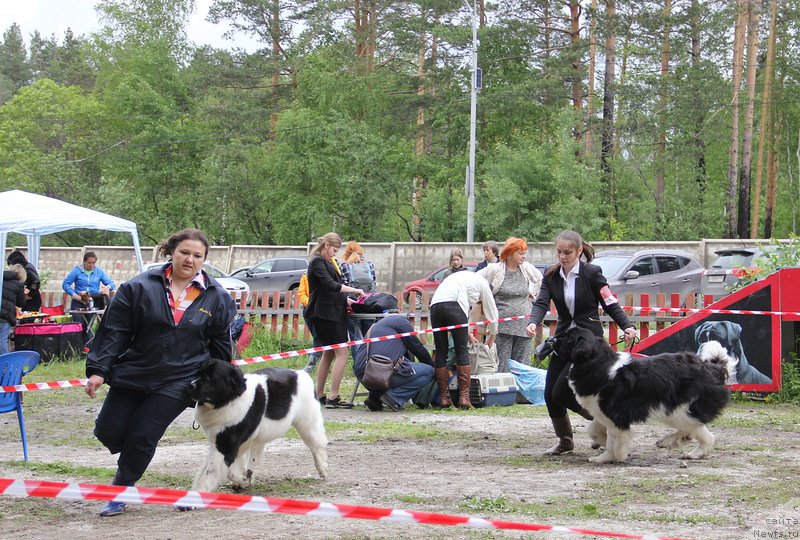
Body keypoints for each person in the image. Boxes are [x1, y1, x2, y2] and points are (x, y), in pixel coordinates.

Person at [85, 228, 236, 517]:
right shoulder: (139, 287)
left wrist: (220, 387)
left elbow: (220, 347)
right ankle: (131, 454)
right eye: (184, 253)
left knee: (144, 435)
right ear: (171, 252)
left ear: (204, 259)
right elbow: (115, 332)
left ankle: (122, 487)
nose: (190, 259)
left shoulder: (216, 297)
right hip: (135, 371)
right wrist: (99, 370)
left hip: (180, 379)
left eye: (197, 255)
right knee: (108, 430)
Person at [525, 230, 636, 456]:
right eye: (559, 252)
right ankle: (565, 440)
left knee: (562, 392)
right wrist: (533, 322)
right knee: (549, 393)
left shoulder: (592, 273)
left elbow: (610, 302)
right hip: (564, 340)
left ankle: (604, 425)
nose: (562, 257)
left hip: (589, 343)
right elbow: (541, 303)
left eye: (567, 252)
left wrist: (627, 326)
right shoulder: (551, 274)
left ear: (578, 251)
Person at [305, 232, 364, 409]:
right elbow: (330, 286)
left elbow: (328, 290)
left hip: (330, 311)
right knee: (342, 353)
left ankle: (320, 394)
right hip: (325, 314)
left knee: (328, 353)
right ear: (326, 246)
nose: (335, 253)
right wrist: (354, 290)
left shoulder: (327, 262)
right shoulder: (317, 262)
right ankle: (333, 396)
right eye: (334, 250)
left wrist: (347, 300)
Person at [430, 270, 498, 409]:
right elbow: (492, 311)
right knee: (462, 351)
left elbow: (467, 312)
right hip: (455, 302)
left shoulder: (465, 279)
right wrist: (492, 334)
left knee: (441, 351)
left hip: (436, 305)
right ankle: (464, 398)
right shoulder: (484, 284)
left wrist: (467, 333)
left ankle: (444, 398)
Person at [478, 237, 543, 371]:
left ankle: (521, 393)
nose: (524, 256)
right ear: (510, 253)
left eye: (524, 253)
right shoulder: (494, 269)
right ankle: (505, 393)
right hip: (502, 328)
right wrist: (486, 298)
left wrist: (533, 294)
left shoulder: (526, 268)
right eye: (520, 253)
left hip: (524, 326)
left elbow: (540, 279)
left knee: (523, 367)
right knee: (502, 366)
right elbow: (476, 279)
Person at [353, 314, 435, 412]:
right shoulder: (402, 323)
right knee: (429, 371)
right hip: (379, 373)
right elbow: (417, 348)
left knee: (392, 365)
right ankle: (394, 397)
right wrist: (432, 365)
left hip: (363, 374)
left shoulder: (376, 327)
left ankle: (374, 398)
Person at [340, 240, 378, 339]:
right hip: (368, 305)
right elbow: (374, 282)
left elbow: (342, 285)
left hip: (352, 305)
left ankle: (358, 355)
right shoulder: (369, 264)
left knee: (355, 337)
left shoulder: (344, 266)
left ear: (346, 252)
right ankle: (368, 354)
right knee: (368, 335)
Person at [0, 264, 27, 355]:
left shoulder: (1, 278)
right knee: (3, 338)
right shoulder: (19, 285)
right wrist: (24, 294)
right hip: (6, 315)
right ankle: (5, 363)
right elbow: (20, 303)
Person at [298, 272, 320, 373]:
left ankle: (313, 364)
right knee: (317, 338)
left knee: (320, 339)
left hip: (322, 310)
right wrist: (310, 303)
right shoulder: (306, 276)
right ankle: (312, 364)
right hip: (310, 310)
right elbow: (301, 294)